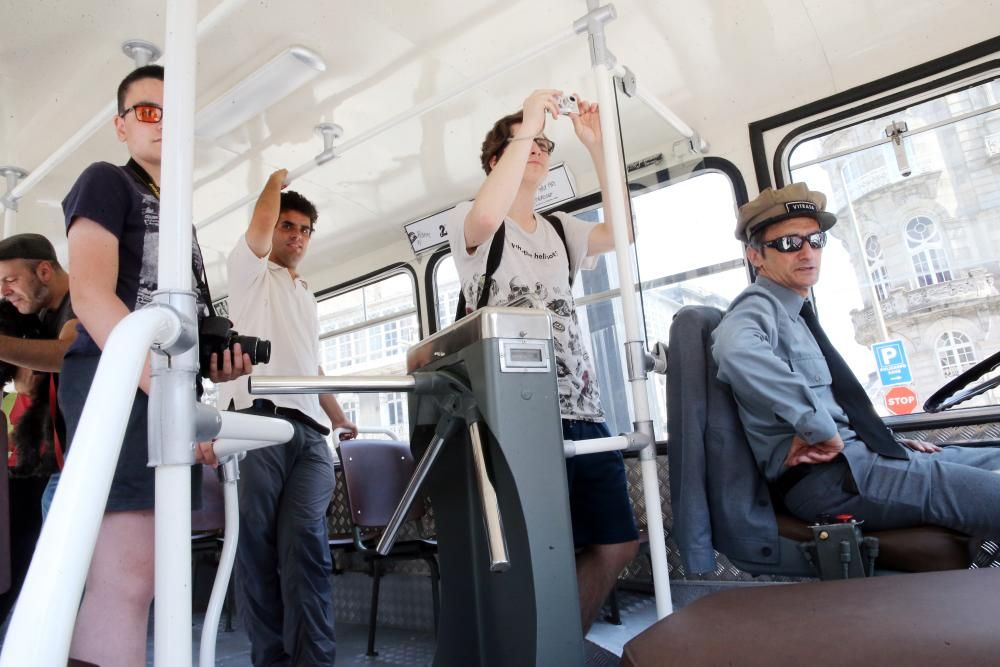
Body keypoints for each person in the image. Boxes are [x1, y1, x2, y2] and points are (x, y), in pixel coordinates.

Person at [61, 64, 249, 667]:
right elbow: (91, 295)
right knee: (127, 578)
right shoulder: (106, 181)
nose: (163, 122)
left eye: (176, 112)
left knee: (152, 575)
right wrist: (172, 397)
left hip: (162, 390)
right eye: (148, 111)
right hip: (118, 383)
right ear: (121, 125)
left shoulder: (178, 216)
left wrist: (206, 371)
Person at [447, 89, 638, 633]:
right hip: (517, 413)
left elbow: (625, 233)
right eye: (524, 141)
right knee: (539, 546)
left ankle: (559, 643)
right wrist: (530, 117)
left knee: (617, 542)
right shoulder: (476, 224)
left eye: (542, 144)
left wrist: (599, 147)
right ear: (495, 161)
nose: (536, 147)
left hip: (581, 404)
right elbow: (488, 211)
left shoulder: (560, 230)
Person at [712, 182, 1000, 541]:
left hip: (861, 459)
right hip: (830, 479)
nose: (807, 253)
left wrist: (886, 441)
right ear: (756, 256)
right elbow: (734, 349)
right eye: (788, 243)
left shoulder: (797, 315)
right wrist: (821, 430)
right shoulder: (758, 308)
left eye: (815, 240)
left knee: (994, 458)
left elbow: (839, 404)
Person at [219, 169, 357, 666]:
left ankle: (315, 661)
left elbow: (308, 362)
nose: (296, 236)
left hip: (308, 435)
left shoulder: (306, 293)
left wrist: (338, 415)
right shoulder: (251, 273)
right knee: (257, 554)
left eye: (304, 230)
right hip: (257, 425)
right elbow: (257, 227)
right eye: (287, 226)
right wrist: (273, 184)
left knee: (307, 548)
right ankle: (272, 660)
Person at [0, 234, 76, 623]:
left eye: (9, 280)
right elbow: (30, 384)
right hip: (57, 464)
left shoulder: (80, 302)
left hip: (80, 468)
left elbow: (68, 354)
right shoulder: (44, 315)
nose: (5, 291)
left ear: (44, 270)